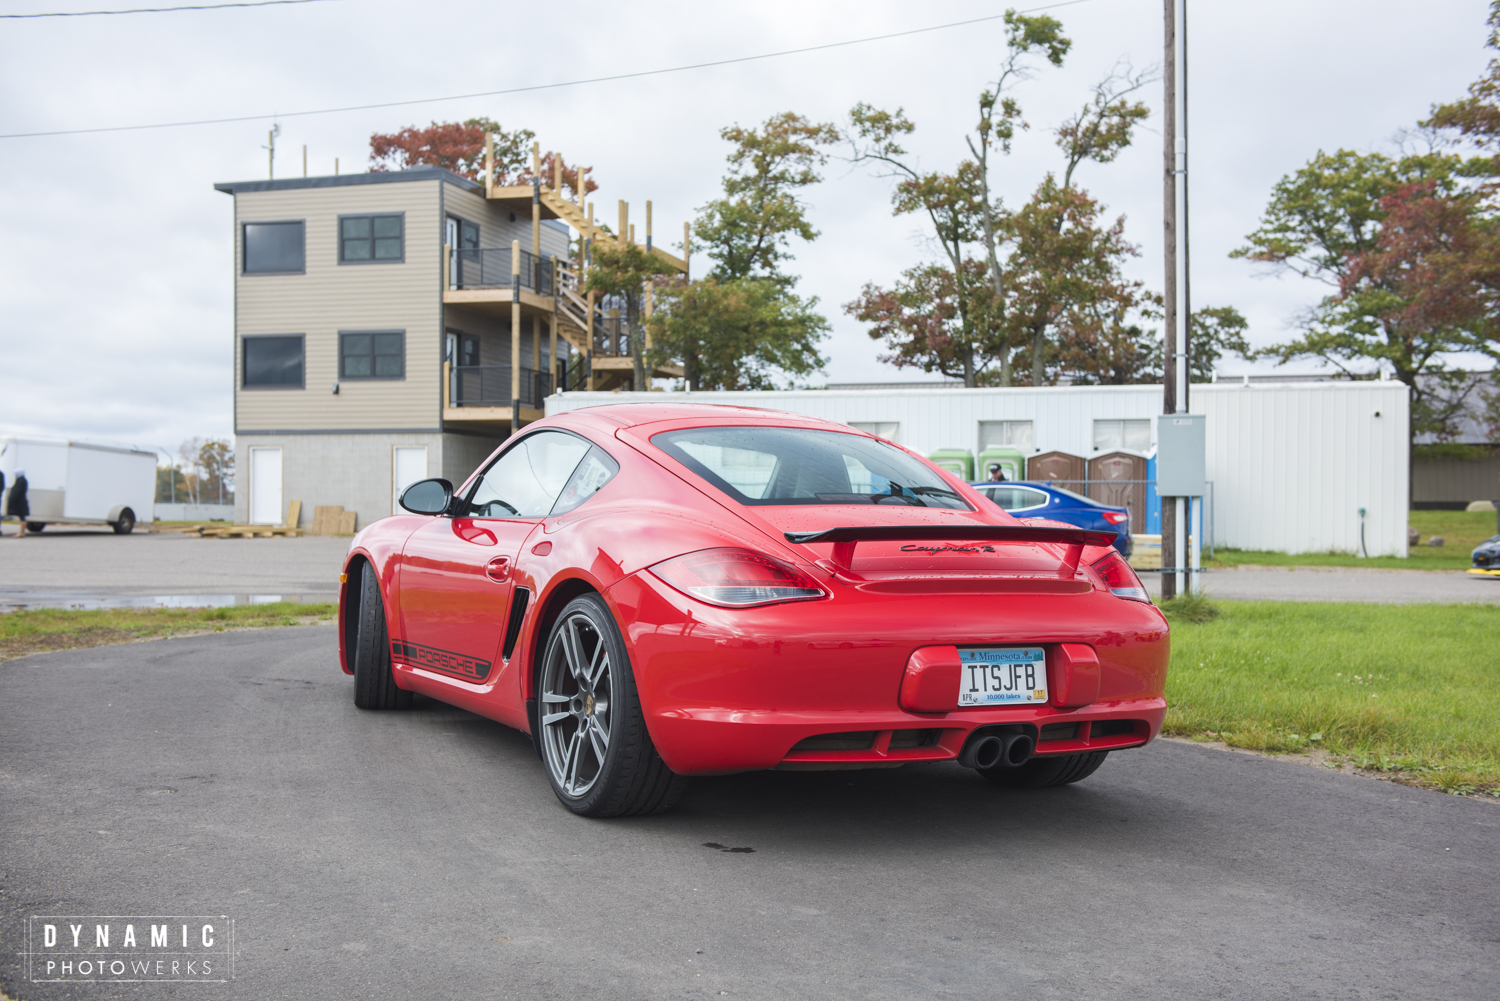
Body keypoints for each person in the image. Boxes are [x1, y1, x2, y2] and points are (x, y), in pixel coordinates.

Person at [7, 469, 29, 537]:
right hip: (21, 502)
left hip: (20, 503)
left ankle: (21, 533)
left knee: (22, 517)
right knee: (22, 517)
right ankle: (22, 532)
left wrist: (11, 499)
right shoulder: (23, 480)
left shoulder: (21, 481)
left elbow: (16, 492)